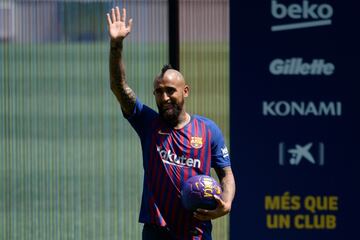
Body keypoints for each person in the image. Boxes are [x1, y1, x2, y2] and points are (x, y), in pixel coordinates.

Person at [106, 6, 235, 240]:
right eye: (158, 92)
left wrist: (225, 203)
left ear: (185, 91)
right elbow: (119, 87)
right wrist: (116, 46)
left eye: (170, 91)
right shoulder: (148, 123)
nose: (164, 97)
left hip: (195, 232)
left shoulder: (208, 130)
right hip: (156, 231)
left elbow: (226, 173)